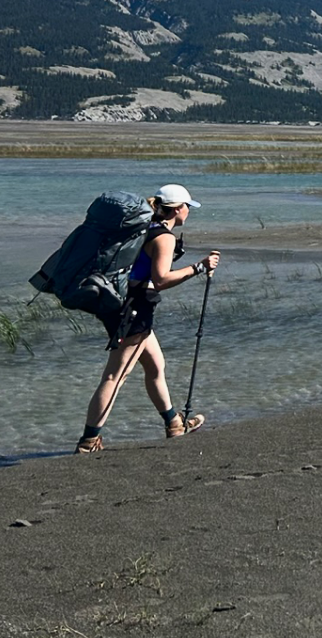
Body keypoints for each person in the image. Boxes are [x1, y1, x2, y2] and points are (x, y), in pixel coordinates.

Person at [75, 183, 220, 454]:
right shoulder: (164, 237)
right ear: (177, 209)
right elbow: (161, 279)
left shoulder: (141, 228)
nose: (189, 211)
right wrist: (199, 268)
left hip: (120, 304)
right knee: (116, 375)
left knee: (155, 367)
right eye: (188, 206)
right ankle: (88, 441)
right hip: (135, 310)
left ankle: (174, 424)